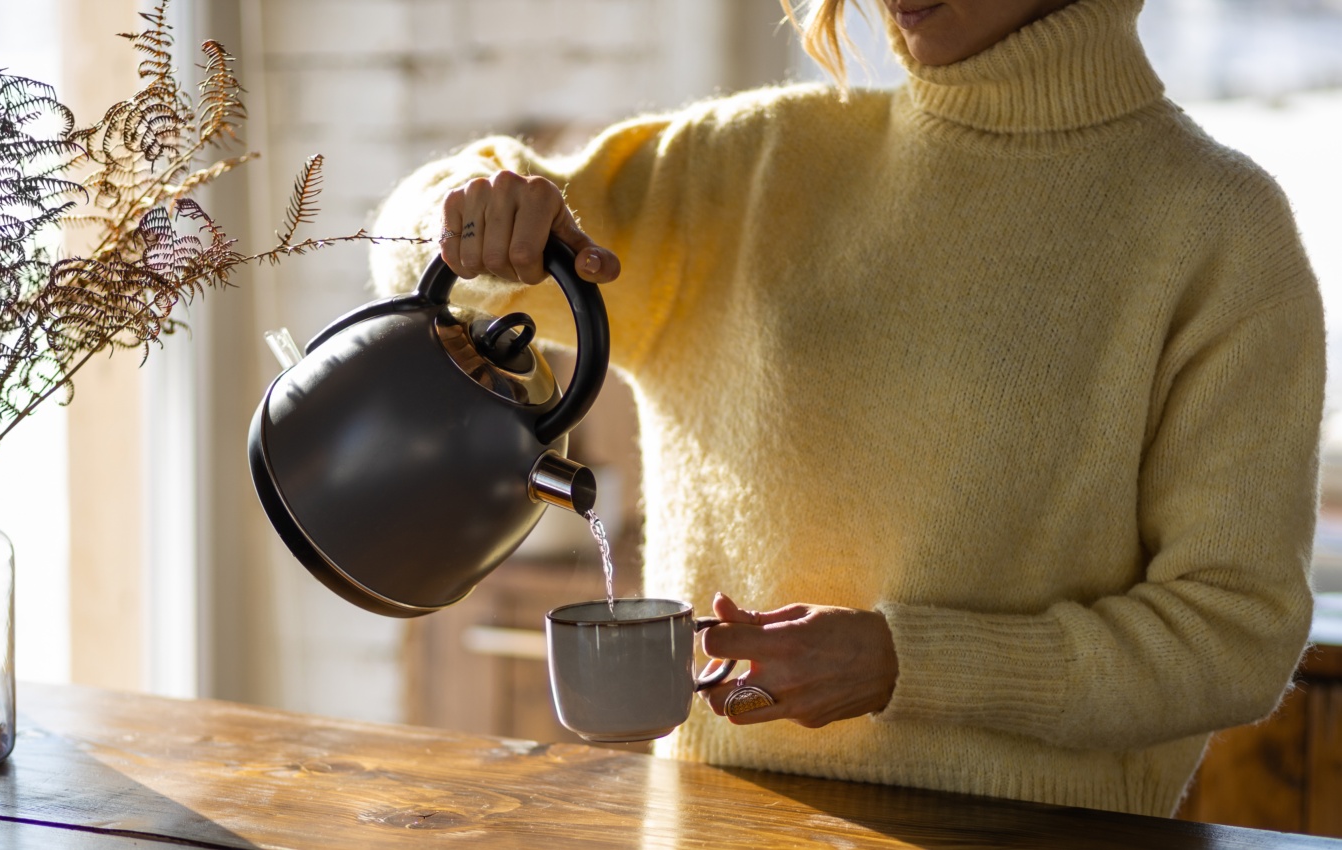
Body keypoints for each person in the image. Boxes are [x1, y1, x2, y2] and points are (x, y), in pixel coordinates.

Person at [368, 0, 1323, 818]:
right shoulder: (752, 166)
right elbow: (429, 263)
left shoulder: (1218, 229)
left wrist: (912, 664)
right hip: (712, 831)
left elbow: (1234, 636)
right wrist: (473, 205)